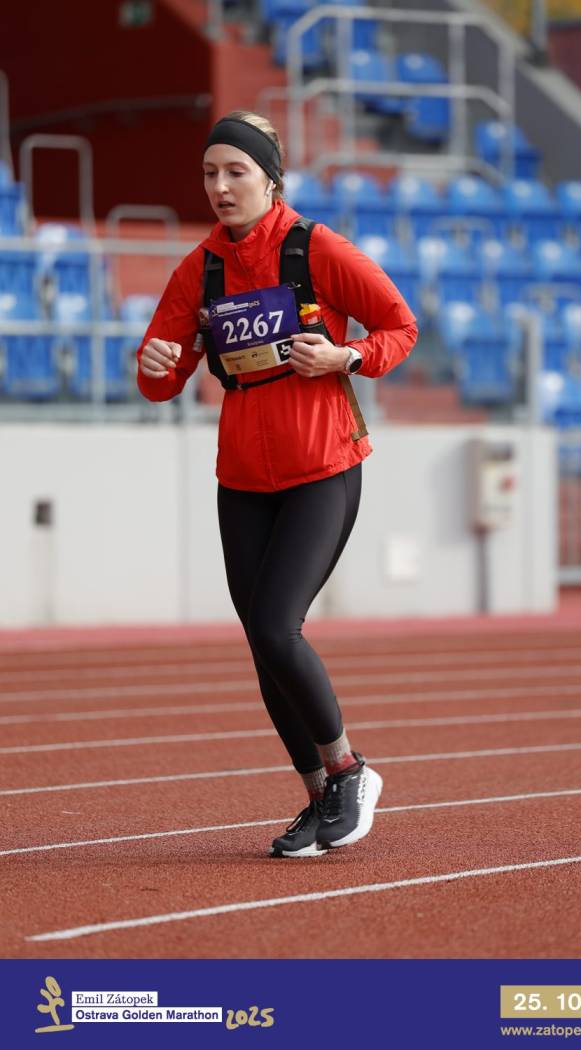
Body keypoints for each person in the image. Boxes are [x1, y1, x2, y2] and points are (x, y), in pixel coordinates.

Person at [137, 110, 417, 858]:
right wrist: (156, 364)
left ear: (270, 179)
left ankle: (351, 772)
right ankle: (319, 795)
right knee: (263, 646)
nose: (220, 186)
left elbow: (400, 327)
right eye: (210, 173)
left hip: (323, 467)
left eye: (236, 172)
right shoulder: (200, 268)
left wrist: (345, 357)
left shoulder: (317, 247)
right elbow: (160, 376)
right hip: (242, 479)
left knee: (273, 627)